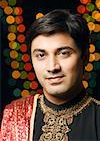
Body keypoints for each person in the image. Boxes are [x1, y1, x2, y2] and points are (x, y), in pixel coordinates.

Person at [0, 9, 100, 141]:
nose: (52, 67)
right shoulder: (15, 114)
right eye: (41, 55)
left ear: (85, 57)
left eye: (64, 53)